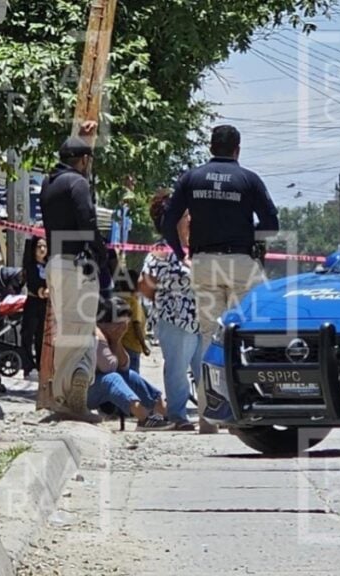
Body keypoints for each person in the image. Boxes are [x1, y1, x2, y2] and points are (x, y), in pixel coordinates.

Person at [162, 126, 279, 433]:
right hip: (241, 262)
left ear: (210, 147)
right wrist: (253, 241)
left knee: (209, 337)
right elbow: (271, 222)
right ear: (237, 149)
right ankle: (241, 413)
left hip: (203, 263)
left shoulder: (190, 178)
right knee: (242, 337)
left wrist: (181, 251)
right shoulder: (249, 180)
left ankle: (207, 416)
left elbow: (168, 220)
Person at [38, 128, 109, 416]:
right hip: (77, 264)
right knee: (81, 327)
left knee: (64, 327)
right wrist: (102, 255)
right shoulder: (77, 183)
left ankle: (65, 390)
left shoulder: (48, 183)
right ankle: (76, 384)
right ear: (82, 160)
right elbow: (87, 221)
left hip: (55, 263)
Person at [141, 192, 204, 432]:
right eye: (185, 215)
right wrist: (159, 313)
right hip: (175, 320)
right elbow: (145, 286)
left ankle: (211, 413)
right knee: (177, 369)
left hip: (200, 318)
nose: (190, 219)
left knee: (205, 369)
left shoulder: (195, 247)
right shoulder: (161, 251)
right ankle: (178, 416)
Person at [89, 296, 174, 431]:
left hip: (93, 387)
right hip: (82, 391)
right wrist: (115, 340)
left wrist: (117, 342)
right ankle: (143, 418)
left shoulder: (108, 336)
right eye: (120, 325)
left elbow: (124, 366)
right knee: (112, 379)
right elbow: (108, 367)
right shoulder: (97, 336)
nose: (123, 329)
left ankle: (165, 411)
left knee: (130, 375)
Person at [21, 237, 48, 379]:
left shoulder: (49, 266)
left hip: (45, 304)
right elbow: (31, 284)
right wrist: (42, 291)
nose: (42, 249)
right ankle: (28, 367)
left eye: (44, 246)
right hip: (33, 301)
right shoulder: (31, 266)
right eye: (39, 246)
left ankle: (40, 366)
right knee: (27, 334)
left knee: (41, 336)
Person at [117, 269, 149, 374]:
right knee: (133, 376)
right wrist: (144, 345)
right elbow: (136, 325)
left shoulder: (119, 300)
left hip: (120, 344)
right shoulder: (134, 303)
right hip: (133, 347)